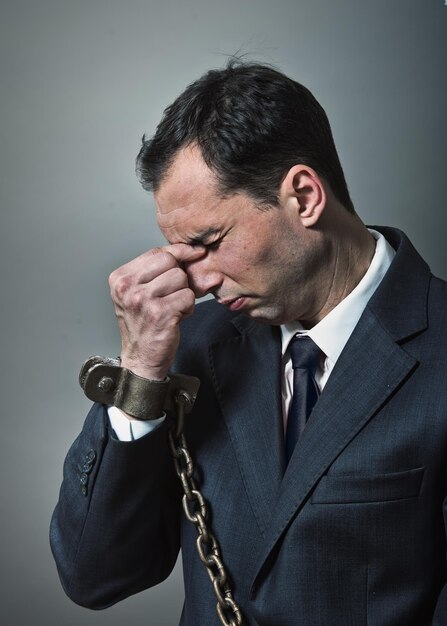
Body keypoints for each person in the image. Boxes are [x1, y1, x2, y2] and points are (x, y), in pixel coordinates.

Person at [50, 61, 447, 625]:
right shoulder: (191, 349)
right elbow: (94, 575)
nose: (199, 281)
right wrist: (139, 371)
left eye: (209, 243)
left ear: (304, 197)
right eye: (182, 252)